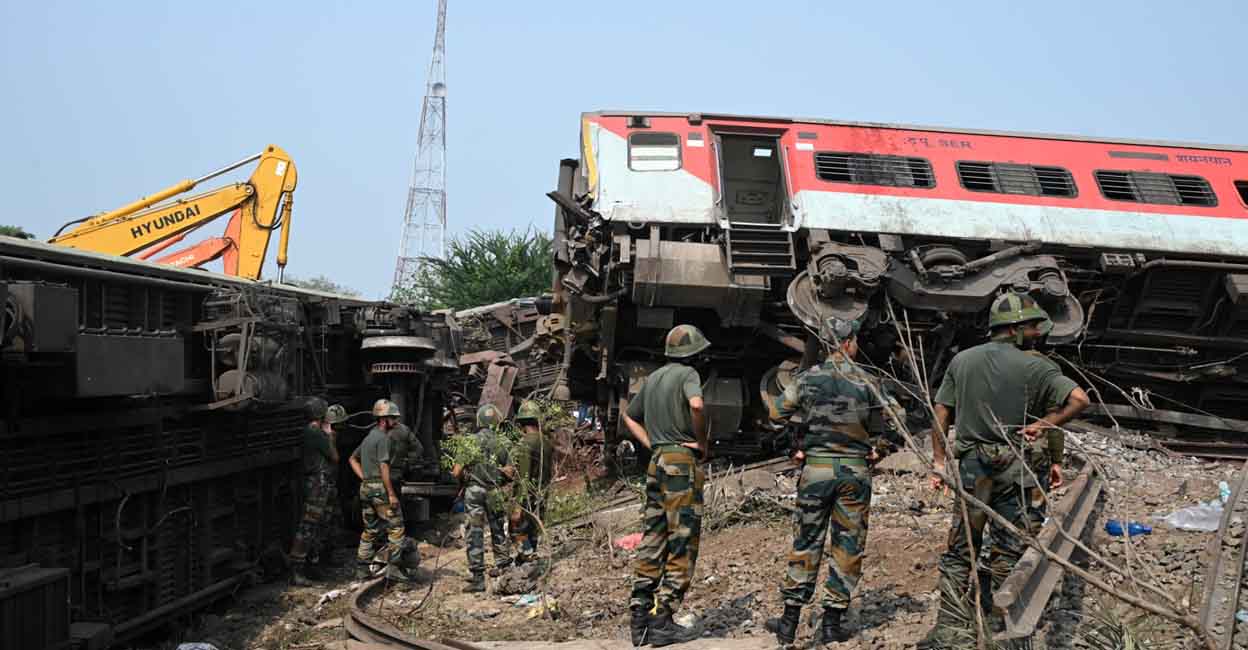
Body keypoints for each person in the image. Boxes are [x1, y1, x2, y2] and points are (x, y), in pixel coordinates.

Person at [919, 293, 1090, 647]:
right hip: (1018, 469)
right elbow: (1079, 400)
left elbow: (941, 415)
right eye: (1030, 327)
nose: (1036, 333)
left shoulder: (962, 361)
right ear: (1015, 329)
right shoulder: (1039, 366)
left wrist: (938, 462)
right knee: (1010, 547)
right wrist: (1044, 428)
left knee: (961, 546)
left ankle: (950, 630)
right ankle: (1002, 631)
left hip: (971, 469)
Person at [764, 317, 902, 645]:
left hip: (816, 471)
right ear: (849, 342)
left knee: (806, 542)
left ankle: (788, 624)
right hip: (854, 472)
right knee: (848, 545)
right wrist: (879, 449)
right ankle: (831, 625)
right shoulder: (868, 380)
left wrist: (794, 447)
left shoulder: (808, 378)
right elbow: (898, 417)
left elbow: (775, 415)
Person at [621, 324, 711, 647]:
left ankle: (639, 617)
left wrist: (652, 444)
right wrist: (700, 443)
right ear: (694, 354)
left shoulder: (654, 378)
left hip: (656, 463)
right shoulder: (688, 375)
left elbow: (628, 417)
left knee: (653, 537)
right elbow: (697, 405)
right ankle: (663, 619)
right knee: (683, 539)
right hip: (680, 464)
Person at [452, 403, 515, 593]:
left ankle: (478, 579)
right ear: (497, 422)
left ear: (479, 421)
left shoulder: (469, 441)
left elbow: (456, 472)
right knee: (498, 530)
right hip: (495, 491)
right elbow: (512, 472)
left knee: (475, 533)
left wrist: (465, 477)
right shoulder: (505, 442)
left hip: (474, 491)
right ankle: (504, 572)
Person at [348, 399, 413, 580]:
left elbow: (352, 459)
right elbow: (384, 467)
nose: (396, 422)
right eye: (393, 418)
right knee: (396, 528)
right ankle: (394, 570)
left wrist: (365, 478)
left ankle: (361, 569)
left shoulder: (369, 437)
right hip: (380, 490)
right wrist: (391, 494)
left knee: (370, 529)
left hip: (366, 488)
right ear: (383, 420)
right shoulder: (384, 439)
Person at [290, 397, 339, 586]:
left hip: (319, 483)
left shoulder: (311, 431)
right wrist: (330, 436)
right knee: (309, 526)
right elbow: (334, 457)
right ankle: (298, 570)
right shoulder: (316, 433)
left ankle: (313, 564)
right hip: (317, 484)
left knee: (319, 524)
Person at [510, 399, 555, 564]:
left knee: (517, 530)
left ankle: (528, 557)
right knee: (533, 530)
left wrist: (517, 506)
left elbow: (524, 476)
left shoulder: (525, 443)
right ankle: (530, 557)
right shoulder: (547, 443)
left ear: (521, 423)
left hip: (526, 497)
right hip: (542, 493)